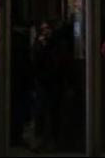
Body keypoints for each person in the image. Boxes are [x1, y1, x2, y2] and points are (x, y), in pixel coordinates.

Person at [32, 20, 74, 152]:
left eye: (48, 29)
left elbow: (62, 63)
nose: (46, 32)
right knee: (41, 112)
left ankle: (52, 140)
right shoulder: (39, 44)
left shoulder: (58, 44)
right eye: (43, 29)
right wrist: (41, 47)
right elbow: (36, 63)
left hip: (55, 82)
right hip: (43, 82)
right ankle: (41, 140)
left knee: (53, 112)